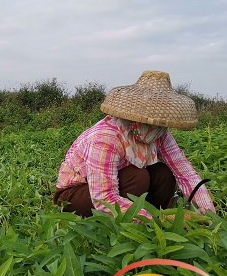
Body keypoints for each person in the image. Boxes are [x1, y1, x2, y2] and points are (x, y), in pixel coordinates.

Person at [53, 70, 215, 221]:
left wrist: (207, 211)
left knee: (163, 173)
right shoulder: (106, 137)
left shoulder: (159, 133)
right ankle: (136, 223)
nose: (155, 126)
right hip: (77, 193)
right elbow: (103, 197)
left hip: (119, 184)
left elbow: (184, 171)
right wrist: (157, 220)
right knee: (137, 177)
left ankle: (150, 222)